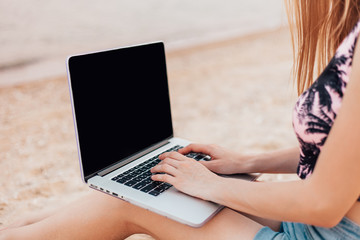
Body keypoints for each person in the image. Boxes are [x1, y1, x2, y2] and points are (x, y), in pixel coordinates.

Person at [1, 0, 360, 239]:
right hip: (324, 225)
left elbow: (322, 205)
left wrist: (210, 185)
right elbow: (339, 153)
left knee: (131, 200)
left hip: (329, 228)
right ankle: (27, 226)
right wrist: (245, 161)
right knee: (150, 190)